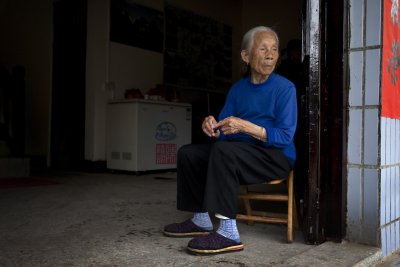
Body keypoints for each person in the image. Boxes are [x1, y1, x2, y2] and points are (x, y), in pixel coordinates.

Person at [163, 26, 297, 255]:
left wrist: (245, 126)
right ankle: (201, 218)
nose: (270, 54)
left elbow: (284, 136)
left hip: (275, 155)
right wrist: (214, 128)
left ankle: (228, 232)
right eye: (263, 48)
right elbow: (224, 128)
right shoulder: (238, 89)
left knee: (224, 152)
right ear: (245, 56)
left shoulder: (285, 88)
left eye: (274, 49)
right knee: (189, 153)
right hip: (240, 151)